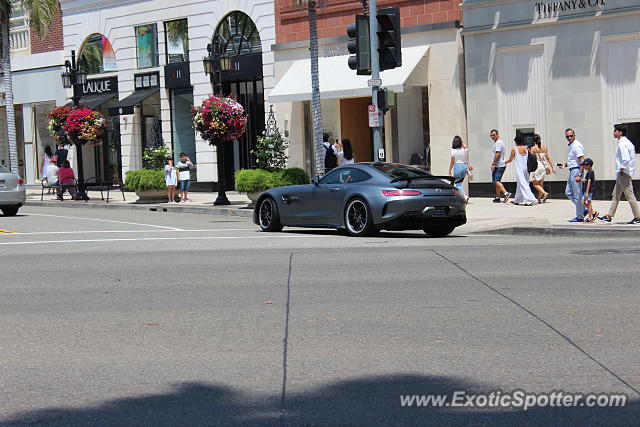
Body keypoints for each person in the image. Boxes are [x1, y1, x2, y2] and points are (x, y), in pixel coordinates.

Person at [599, 124, 640, 224]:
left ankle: (638, 217)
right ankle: (609, 216)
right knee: (615, 195)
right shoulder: (627, 142)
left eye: (615, 131)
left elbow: (626, 158)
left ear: (620, 132)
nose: (613, 132)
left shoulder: (623, 144)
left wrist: (622, 169)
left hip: (623, 173)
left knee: (630, 195)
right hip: (623, 173)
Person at [558, 128, 585, 222]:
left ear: (574, 135)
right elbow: (574, 160)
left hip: (577, 171)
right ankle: (583, 209)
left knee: (578, 195)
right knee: (568, 192)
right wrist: (565, 165)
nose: (569, 138)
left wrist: (580, 174)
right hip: (572, 170)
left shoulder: (576, 146)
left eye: (571, 136)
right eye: (567, 136)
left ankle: (580, 216)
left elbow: (582, 161)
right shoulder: (571, 145)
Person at [505, 135, 537, 206]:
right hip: (525, 168)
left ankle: (531, 200)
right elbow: (531, 154)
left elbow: (510, 159)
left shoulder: (514, 149)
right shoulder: (526, 148)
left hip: (519, 169)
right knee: (520, 184)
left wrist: (506, 162)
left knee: (524, 184)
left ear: (516, 141)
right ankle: (517, 200)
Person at [529, 134, 555, 203]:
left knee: (535, 184)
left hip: (537, 166)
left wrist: (528, 151)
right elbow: (548, 158)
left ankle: (544, 193)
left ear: (533, 140)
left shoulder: (533, 148)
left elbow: (532, 158)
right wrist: (552, 167)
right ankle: (539, 199)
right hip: (544, 166)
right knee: (541, 183)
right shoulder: (544, 147)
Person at [489, 129, 511, 203]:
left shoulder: (498, 143)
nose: (492, 137)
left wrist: (493, 163)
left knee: (496, 181)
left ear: (497, 135)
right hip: (500, 165)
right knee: (496, 182)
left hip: (499, 165)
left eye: (493, 135)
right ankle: (498, 197)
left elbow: (498, 154)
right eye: (491, 135)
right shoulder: (498, 143)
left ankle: (506, 193)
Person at [448, 135, 470, 202]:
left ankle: (464, 196)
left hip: (457, 167)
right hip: (464, 167)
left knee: (458, 184)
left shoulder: (453, 151)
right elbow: (466, 147)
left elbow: (452, 162)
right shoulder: (463, 150)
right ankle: (461, 196)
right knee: (460, 183)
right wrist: (462, 142)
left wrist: (449, 170)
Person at [580, 158, 598, 223]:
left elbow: (589, 182)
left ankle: (590, 218)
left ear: (589, 166)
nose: (584, 167)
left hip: (589, 190)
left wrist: (587, 192)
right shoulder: (588, 172)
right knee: (582, 201)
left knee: (589, 203)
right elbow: (587, 180)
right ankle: (593, 212)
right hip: (586, 190)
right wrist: (583, 180)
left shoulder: (590, 172)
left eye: (584, 166)